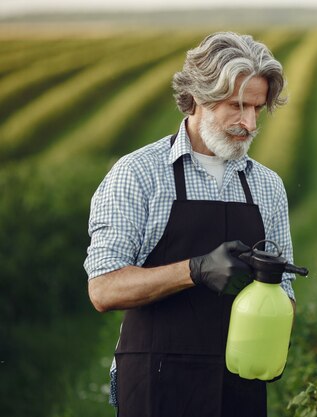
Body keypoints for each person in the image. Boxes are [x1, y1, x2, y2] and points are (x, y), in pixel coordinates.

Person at [84, 32, 296, 417]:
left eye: (257, 109)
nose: (248, 123)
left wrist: (273, 321)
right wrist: (195, 270)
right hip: (156, 383)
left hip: (240, 386)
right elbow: (103, 289)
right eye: (237, 105)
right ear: (199, 95)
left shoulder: (267, 186)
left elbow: (287, 293)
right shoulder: (139, 174)